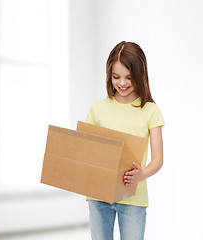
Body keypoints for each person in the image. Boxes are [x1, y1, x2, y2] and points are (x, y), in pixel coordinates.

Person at [85, 41, 165, 240]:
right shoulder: (98, 109)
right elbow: (85, 150)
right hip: (99, 195)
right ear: (109, 75)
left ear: (141, 75)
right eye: (116, 77)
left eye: (129, 77)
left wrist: (141, 175)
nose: (122, 83)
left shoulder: (150, 110)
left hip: (133, 198)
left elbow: (158, 159)